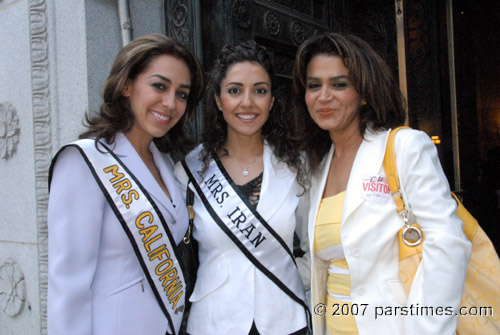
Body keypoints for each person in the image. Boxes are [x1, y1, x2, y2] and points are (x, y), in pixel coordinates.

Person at [292, 32, 471, 335]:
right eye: (314, 85)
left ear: (364, 92)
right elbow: (317, 262)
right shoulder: (316, 167)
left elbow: (448, 244)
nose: (324, 96)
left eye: (339, 84)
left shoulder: (404, 147)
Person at [47, 34, 203, 335]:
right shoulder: (84, 162)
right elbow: (67, 286)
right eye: (159, 86)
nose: (170, 103)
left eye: (182, 94)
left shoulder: (166, 165)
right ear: (127, 85)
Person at [174, 40, 310, 335]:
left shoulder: (296, 167)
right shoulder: (190, 170)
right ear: (219, 100)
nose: (247, 102)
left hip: (285, 322)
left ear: (272, 101)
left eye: (259, 91)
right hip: (213, 323)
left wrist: (297, 287)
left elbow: (315, 247)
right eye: (235, 90)